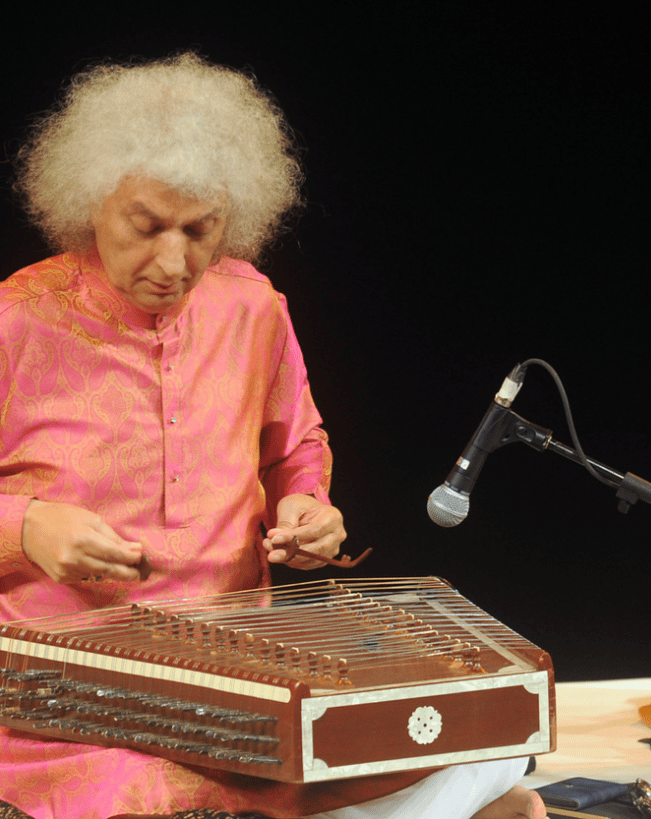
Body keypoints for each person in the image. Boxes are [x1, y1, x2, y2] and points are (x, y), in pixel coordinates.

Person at [0, 53, 546, 819]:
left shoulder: (252, 306)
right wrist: (27, 526)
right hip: (63, 692)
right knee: (136, 792)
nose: (173, 261)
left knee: (481, 733)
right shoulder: (17, 319)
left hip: (241, 680)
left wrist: (307, 504)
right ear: (92, 204)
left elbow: (297, 448)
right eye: (146, 226)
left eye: (201, 230)